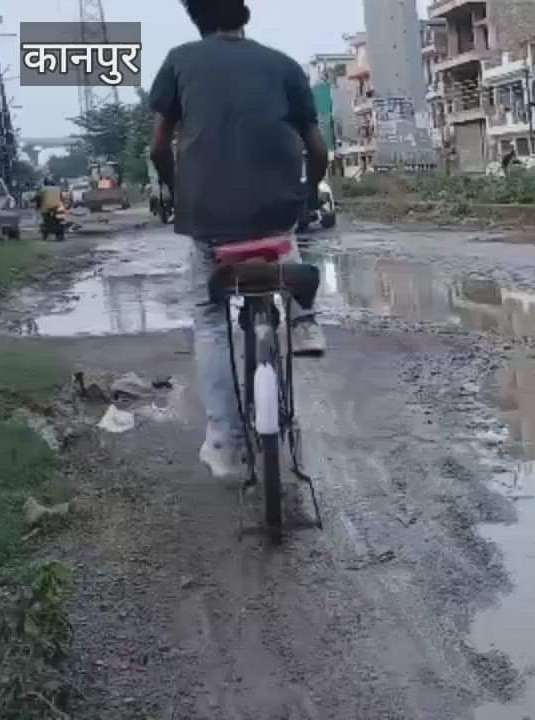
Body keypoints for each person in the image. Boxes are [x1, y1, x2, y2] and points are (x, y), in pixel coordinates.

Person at [149, 0, 329, 479]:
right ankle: (305, 320)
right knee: (285, 241)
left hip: (208, 218)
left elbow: (158, 146)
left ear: (196, 18)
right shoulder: (284, 65)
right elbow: (317, 148)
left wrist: (178, 193)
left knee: (210, 319)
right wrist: (308, 195)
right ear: (243, 13)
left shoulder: (180, 61)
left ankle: (225, 443)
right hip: (275, 210)